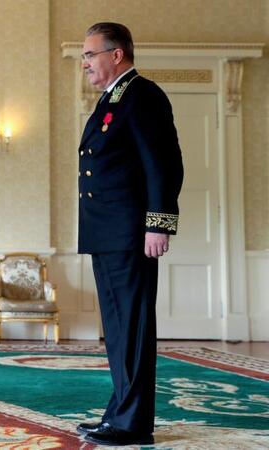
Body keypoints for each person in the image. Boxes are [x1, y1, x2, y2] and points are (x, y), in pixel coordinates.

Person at [74, 22, 184, 446]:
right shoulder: (113, 99)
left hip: (129, 233)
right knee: (119, 329)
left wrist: (159, 223)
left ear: (116, 54)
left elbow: (164, 164)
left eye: (90, 54)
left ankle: (132, 424)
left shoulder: (142, 96)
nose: (85, 63)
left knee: (132, 327)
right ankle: (119, 413)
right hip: (108, 233)